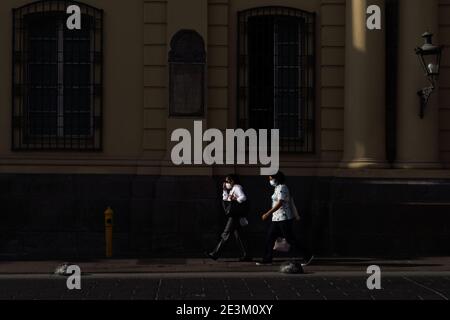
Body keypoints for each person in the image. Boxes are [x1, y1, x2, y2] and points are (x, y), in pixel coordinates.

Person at [256, 171, 314, 266]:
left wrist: (267, 214)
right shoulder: (277, 188)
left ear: (276, 178)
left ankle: (308, 256)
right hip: (277, 219)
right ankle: (267, 259)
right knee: (270, 238)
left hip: (284, 218)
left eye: (271, 179)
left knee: (290, 239)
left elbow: (280, 203)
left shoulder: (282, 187)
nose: (270, 180)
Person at [206, 174, 252, 262]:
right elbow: (226, 199)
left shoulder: (237, 187)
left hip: (234, 216)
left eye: (227, 181)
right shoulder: (233, 189)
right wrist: (224, 190)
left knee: (225, 234)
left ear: (232, 181)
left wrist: (235, 199)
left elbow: (243, 198)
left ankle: (215, 254)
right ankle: (246, 255)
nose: (226, 183)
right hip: (235, 215)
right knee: (239, 236)